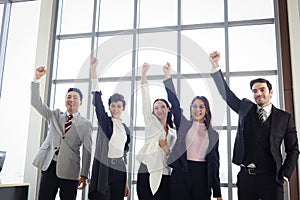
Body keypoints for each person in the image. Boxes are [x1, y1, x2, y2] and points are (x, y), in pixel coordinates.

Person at [209, 51, 299, 200]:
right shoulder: (245, 107)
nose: (258, 94)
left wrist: (285, 175)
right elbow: (227, 95)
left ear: (270, 92)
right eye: (255, 91)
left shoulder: (284, 118)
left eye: (262, 90)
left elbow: (293, 149)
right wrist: (215, 66)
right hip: (246, 178)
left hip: (272, 179)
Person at [31, 66, 93, 200]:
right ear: (65, 100)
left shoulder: (85, 124)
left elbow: (88, 150)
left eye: (75, 97)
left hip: (70, 171)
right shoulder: (54, 115)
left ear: (81, 102)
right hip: (49, 166)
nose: (71, 99)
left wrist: (84, 174)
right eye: (68, 97)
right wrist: (37, 79)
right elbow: (36, 102)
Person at [163, 63, 222, 200]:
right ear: (191, 109)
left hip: (202, 176)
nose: (197, 109)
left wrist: (217, 192)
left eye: (201, 106)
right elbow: (175, 104)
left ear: (206, 110)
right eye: (194, 106)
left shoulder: (213, 134)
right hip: (182, 172)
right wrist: (167, 76)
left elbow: (215, 164)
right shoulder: (184, 125)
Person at [88, 57, 131, 200]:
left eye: (119, 106)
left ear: (123, 108)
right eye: (113, 105)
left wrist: (125, 182)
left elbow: (124, 155)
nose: (116, 108)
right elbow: (98, 103)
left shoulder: (125, 129)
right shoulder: (106, 122)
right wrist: (94, 70)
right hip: (105, 169)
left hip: (120, 169)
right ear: (110, 107)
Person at [136, 62, 177, 200]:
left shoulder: (173, 132)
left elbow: (172, 154)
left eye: (162, 107)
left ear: (168, 109)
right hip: (147, 168)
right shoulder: (150, 121)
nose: (159, 110)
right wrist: (143, 74)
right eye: (156, 108)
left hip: (165, 171)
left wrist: (166, 149)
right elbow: (145, 99)